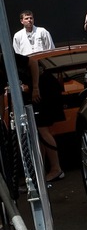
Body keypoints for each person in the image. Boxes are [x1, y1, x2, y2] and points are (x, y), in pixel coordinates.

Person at [0, 52, 64, 182]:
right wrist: (1, 119)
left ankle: (56, 169)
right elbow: (0, 95)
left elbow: (33, 62)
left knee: (42, 129)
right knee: (36, 131)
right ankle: (41, 171)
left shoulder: (4, 56)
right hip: (34, 90)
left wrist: (35, 88)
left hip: (45, 86)